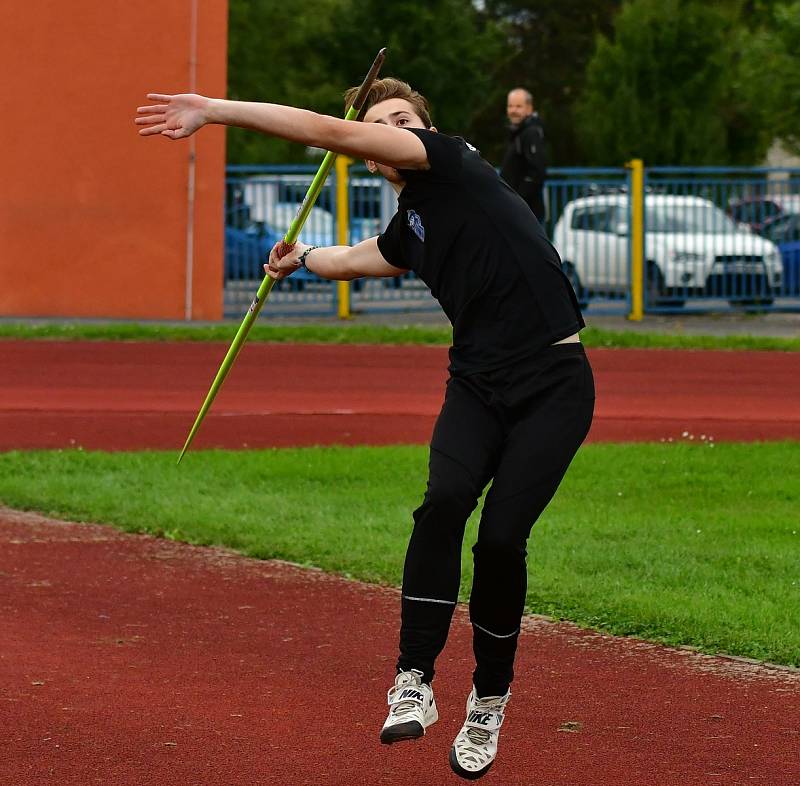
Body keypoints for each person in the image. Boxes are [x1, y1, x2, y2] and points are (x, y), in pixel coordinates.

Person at [136, 78, 594, 780]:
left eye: (403, 118)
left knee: (501, 538)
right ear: (380, 166)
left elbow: (335, 134)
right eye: (385, 125)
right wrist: (302, 263)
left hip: (553, 384)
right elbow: (362, 257)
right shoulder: (412, 222)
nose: (394, 128)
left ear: (419, 131)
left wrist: (215, 110)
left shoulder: (449, 158)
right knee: (443, 503)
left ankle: (489, 699)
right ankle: (414, 678)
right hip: (477, 383)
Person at [500, 88, 547, 222]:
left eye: (518, 106)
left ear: (529, 109)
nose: (513, 110)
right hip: (516, 211)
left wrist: (517, 199)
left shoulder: (531, 133)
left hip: (526, 213)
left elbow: (537, 172)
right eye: (510, 106)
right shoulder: (518, 133)